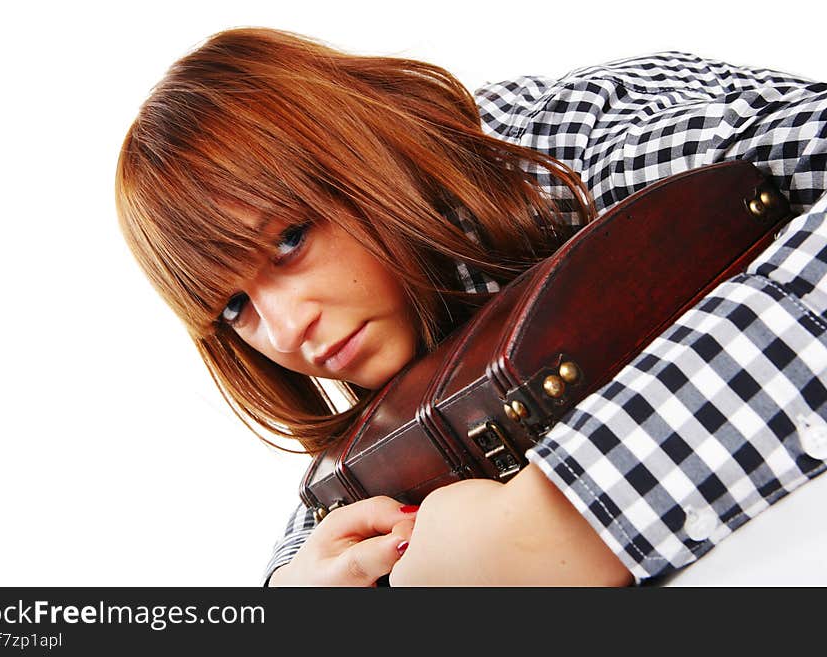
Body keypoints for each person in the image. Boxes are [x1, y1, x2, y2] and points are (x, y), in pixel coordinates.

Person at [115, 28, 827, 586]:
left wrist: (571, 514)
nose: (287, 327)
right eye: (235, 306)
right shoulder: (401, 315)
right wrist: (295, 581)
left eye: (291, 239)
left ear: (357, 156)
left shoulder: (573, 150)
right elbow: (356, 470)